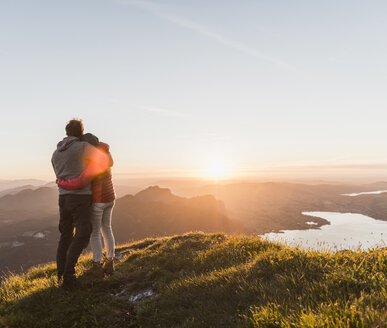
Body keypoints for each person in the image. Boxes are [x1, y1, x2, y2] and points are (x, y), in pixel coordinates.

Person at [51, 119, 109, 289]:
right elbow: (105, 162)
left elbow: (60, 175)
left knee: (65, 236)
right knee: (84, 233)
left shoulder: (55, 153)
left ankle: (61, 274)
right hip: (80, 198)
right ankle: (69, 276)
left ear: (67, 132)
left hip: (63, 198)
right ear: (81, 132)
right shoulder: (84, 148)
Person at [57, 133, 116, 278]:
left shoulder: (93, 160)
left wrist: (62, 182)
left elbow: (83, 180)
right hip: (110, 197)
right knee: (107, 229)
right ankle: (109, 262)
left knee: (95, 232)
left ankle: (97, 265)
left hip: (98, 199)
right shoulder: (105, 154)